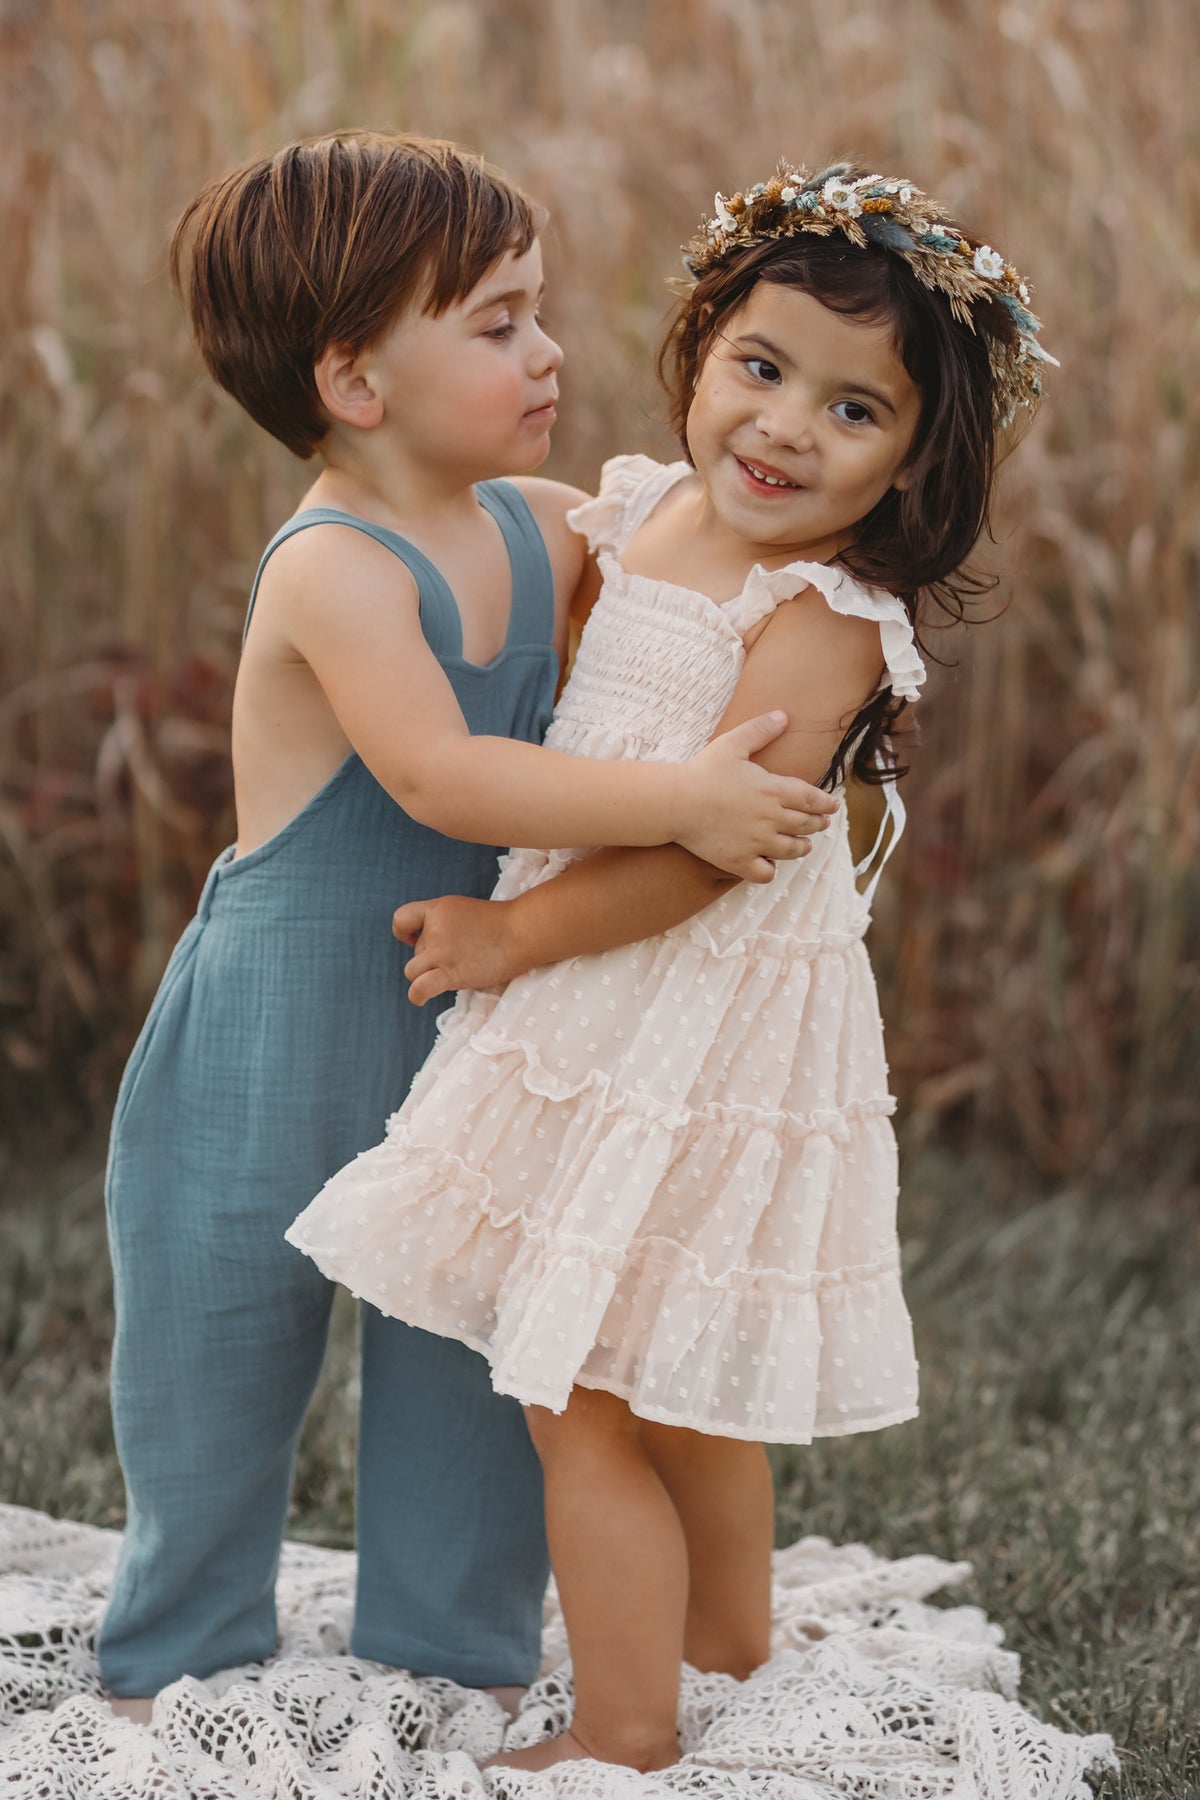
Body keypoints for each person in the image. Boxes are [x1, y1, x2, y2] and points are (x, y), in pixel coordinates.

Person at [286, 161, 1055, 1773]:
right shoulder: (633, 512)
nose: (784, 428)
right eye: (761, 370)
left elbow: (700, 851)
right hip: (608, 1010)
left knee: (586, 1395)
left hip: (686, 1014)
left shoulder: (826, 609)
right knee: (672, 1380)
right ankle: (721, 1651)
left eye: (856, 412)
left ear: (919, 457)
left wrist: (508, 934)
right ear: (701, 344)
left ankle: (628, 1729)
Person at [97, 132, 838, 1723]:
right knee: (222, 1330)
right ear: (357, 381)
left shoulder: (547, 526)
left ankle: (452, 1643)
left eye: (539, 309)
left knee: (465, 1326)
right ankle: (181, 1640)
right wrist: (680, 807)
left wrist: (839, 632)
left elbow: (691, 595)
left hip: (478, 1023)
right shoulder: (335, 568)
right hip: (275, 1021)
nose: (550, 348)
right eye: (499, 322)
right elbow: (446, 772)